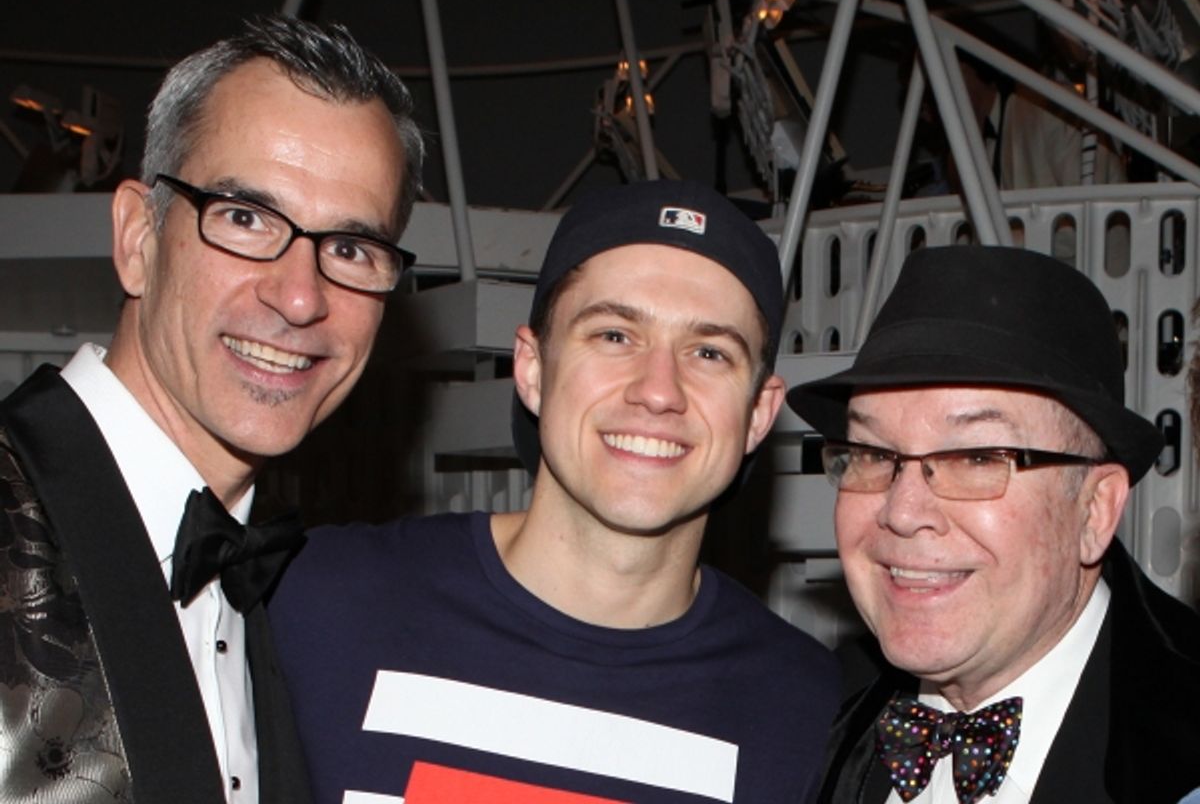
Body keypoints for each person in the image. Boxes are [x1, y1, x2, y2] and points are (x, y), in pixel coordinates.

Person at [269, 180, 840, 803]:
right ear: (533, 369)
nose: (658, 390)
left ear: (759, 412)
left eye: (708, 352)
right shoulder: (313, 603)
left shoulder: (809, 713)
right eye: (615, 335)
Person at [0, 14, 423, 803]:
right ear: (137, 236)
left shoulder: (282, 596)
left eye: (351, 248)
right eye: (244, 217)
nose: (300, 297)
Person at [787, 245, 1200, 803]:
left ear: (1095, 509)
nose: (903, 512)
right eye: (873, 452)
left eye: (977, 458)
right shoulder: (806, 716)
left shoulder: (1179, 753)